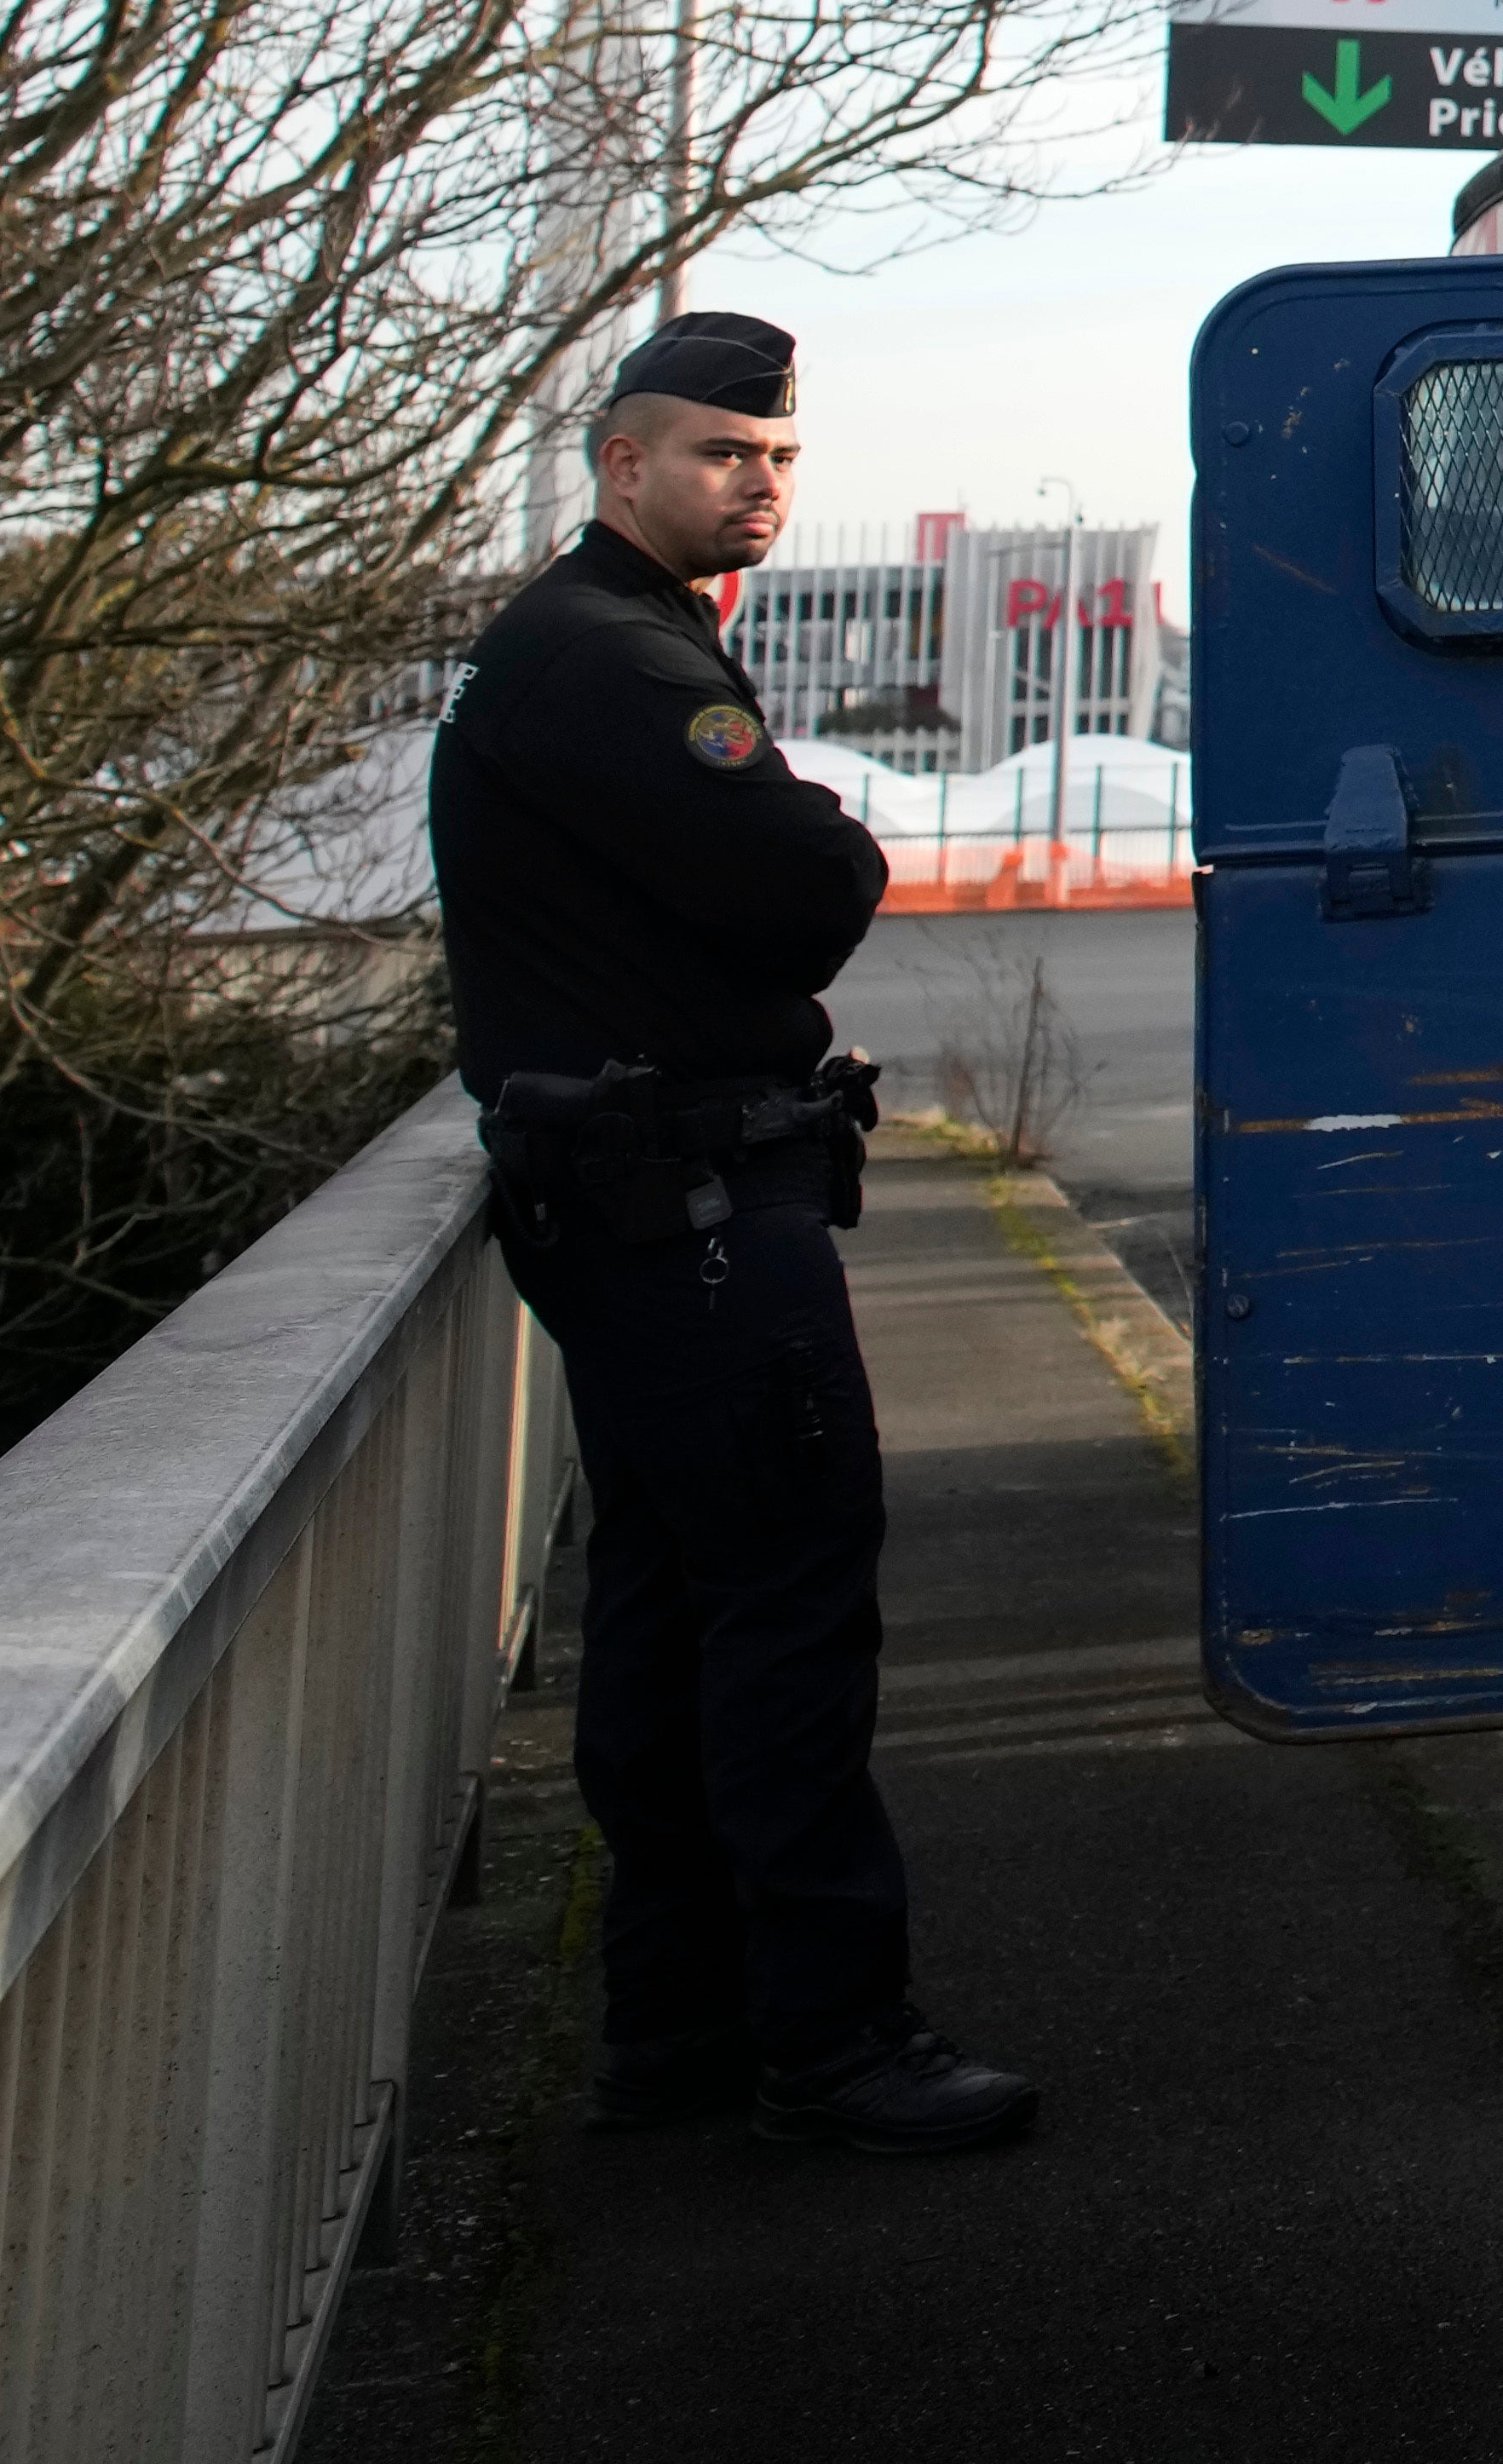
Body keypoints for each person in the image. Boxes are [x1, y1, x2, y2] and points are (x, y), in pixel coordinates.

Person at [429, 309, 1044, 2156]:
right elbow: (802, 887)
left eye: (776, 457)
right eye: (719, 452)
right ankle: (834, 2037)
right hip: (688, 1211)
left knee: (674, 1611)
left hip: (642, 1209)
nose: (756, 481)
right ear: (623, 465)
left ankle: (677, 2028)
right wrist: (825, 834)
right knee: (785, 1609)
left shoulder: (602, 640)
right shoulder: (612, 659)